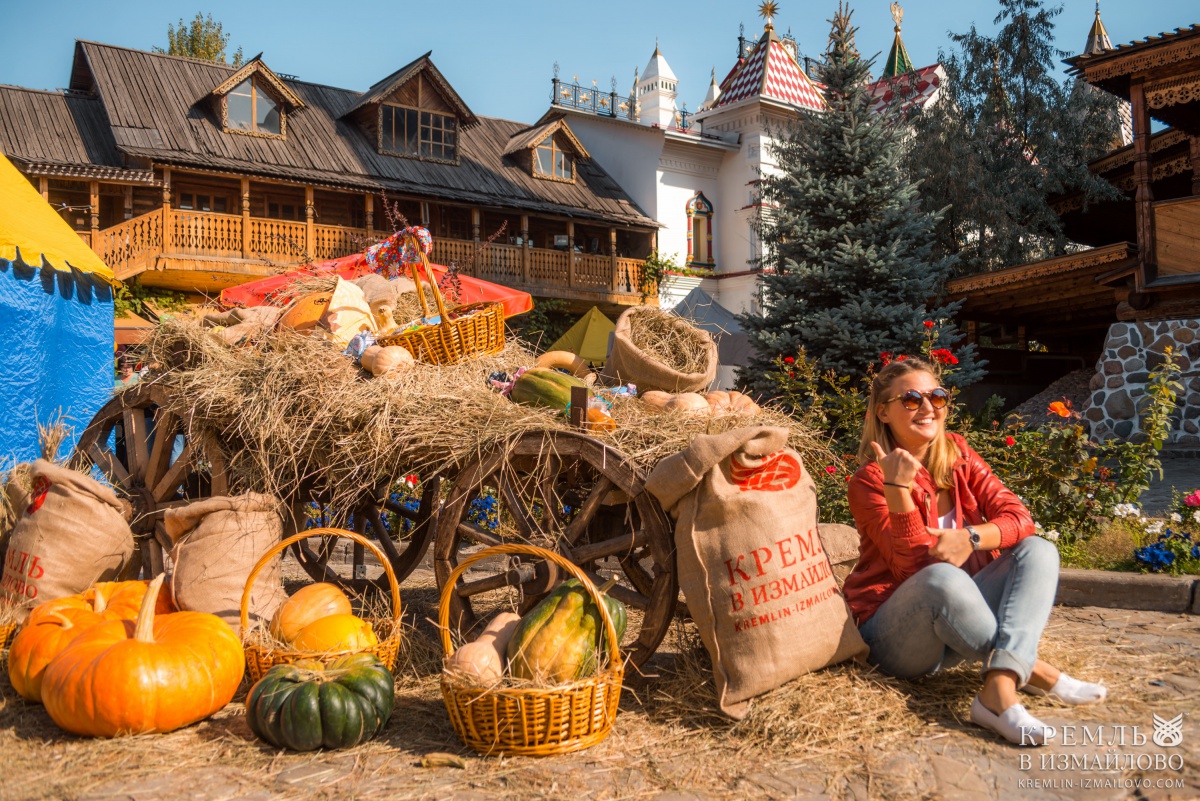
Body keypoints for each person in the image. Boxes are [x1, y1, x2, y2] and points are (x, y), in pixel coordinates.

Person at [843, 357, 1106, 746]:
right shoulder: (869, 481)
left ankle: (999, 688)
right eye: (912, 399)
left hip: (960, 626)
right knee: (941, 577)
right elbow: (913, 571)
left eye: (937, 396)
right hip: (899, 637)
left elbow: (1020, 518)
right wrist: (897, 488)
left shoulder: (958, 454)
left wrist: (971, 537)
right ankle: (1040, 674)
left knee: (1038, 550)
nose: (928, 407)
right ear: (883, 411)